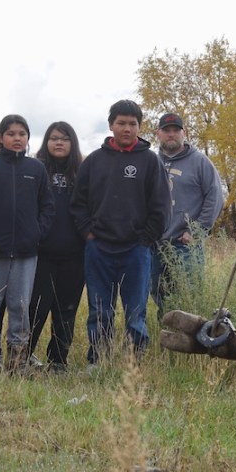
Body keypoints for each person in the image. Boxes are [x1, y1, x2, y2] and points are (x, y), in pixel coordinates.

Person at [70, 100, 169, 365]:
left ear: (140, 126)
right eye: (121, 123)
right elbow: (78, 204)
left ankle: (134, 365)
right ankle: (98, 361)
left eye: (132, 124)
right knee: (100, 310)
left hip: (136, 250)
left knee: (135, 312)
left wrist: (146, 239)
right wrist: (88, 233)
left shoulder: (150, 161)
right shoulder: (94, 161)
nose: (127, 129)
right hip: (99, 248)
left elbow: (161, 207)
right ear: (111, 125)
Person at [0, 114, 53, 373]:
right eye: (11, 134)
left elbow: (48, 207)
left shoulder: (36, 169)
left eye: (22, 134)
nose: (17, 138)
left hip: (26, 252)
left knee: (20, 305)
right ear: (0, 137)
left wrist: (36, 233)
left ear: (28, 138)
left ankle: (18, 359)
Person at [151, 112, 225, 314]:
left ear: (184, 133)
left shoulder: (200, 162)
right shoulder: (151, 162)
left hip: (185, 245)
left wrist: (198, 230)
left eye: (176, 130)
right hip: (155, 245)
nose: (171, 134)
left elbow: (215, 196)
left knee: (189, 299)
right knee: (159, 295)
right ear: (158, 133)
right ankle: (168, 341)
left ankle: (190, 341)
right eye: (167, 131)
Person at [28, 121, 86, 372]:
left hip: (75, 254)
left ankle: (58, 360)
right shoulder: (35, 168)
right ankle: (23, 355)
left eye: (64, 138)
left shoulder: (83, 171)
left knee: (66, 310)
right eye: (53, 138)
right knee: (36, 308)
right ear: (46, 142)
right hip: (41, 253)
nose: (59, 142)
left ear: (72, 143)